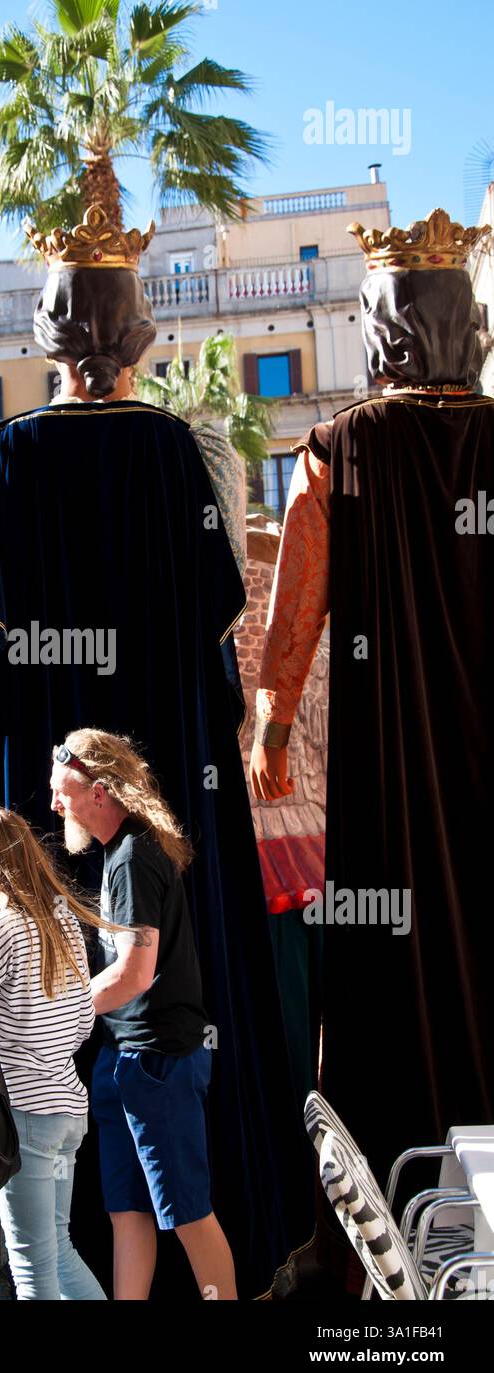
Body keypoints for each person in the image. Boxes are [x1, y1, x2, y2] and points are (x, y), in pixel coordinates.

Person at [0, 204, 310, 1296]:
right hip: (175, 777)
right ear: (141, 336)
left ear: (46, 336)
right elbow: (224, 633)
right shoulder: (194, 450)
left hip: (40, 791)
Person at [249, 207, 494, 1193]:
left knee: (395, 948)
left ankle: (404, 1198)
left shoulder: (339, 446)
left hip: (393, 758)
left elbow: (296, 601)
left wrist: (270, 724)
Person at [50, 731, 237, 1301]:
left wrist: (58, 1011)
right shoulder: (119, 852)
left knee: (187, 1216)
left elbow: (135, 972)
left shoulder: (133, 855)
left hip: (158, 1061)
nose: (55, 804)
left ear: (99, 792)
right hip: (122, 1060)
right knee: (127, 1212)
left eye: (63, 792)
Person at [0, 804, 106, 1300]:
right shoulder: (66, 923)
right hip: (67, 1110)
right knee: (60, 1249)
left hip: (25, 1115)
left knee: (31, 1266)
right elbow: (82, 1024)